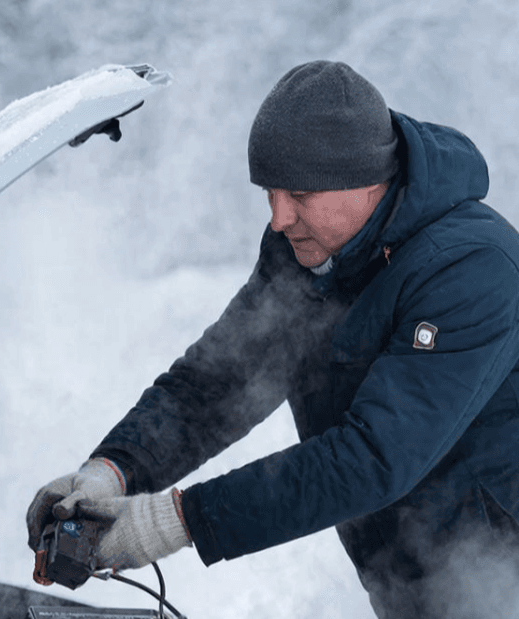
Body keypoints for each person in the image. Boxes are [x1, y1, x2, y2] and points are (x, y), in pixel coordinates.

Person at [26, 60, 519, 618]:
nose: (279, 217)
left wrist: (175, 521)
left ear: (366, 180)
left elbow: (373, 457)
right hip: (409, 583)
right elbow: (219, 383)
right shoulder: (308, 252)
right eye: (270, 191)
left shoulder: (472, 269)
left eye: (301, 194)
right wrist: (112, 471)